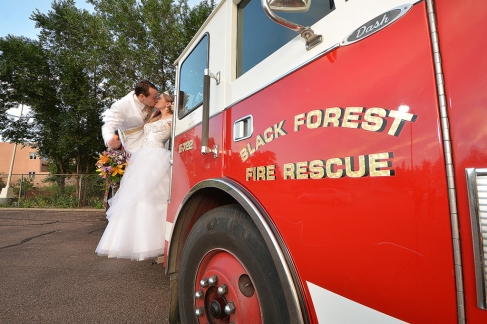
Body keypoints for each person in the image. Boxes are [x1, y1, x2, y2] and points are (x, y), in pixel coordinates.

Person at [95, 92, 174, 261]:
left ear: (168, 104)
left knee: (152, 196)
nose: (156, 99)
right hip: (142, 156)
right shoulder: (152, 117)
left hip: (157, 157)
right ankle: (123, 242)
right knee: (133, 196)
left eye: (160, 98)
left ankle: (152, 243)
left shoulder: (174, 119)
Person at [102, 80, 159, 154]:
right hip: (135, 147)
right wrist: (109, 139)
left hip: (155, 142)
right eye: (154, 98)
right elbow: (108, 126)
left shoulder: (150, 100)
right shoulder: (121, 106)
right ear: (142, 96)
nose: (156, 100)